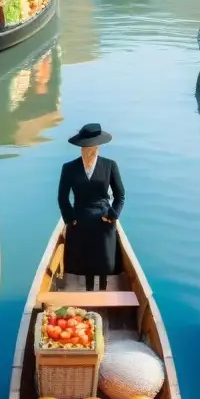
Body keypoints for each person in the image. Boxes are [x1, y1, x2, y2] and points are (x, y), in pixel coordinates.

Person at [58, 123, 126, 292]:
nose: (90, 150)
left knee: (104, 261)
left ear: (97, 146)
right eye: (86, 147)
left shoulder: (110, 165)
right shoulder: (69, 168)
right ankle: (88, 290)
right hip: (80, 219)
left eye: (93, 146)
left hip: (103, 219)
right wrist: (70, 218)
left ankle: (102, 290)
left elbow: (120, 195)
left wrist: (112, 215)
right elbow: (62, 197)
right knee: (85, 261)